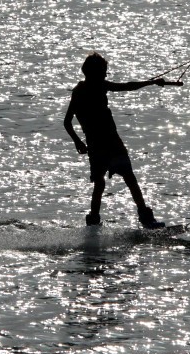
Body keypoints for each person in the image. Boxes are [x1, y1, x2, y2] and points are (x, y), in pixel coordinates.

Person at [63, 52, 181, 227]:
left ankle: (102, 221)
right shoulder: (90, 89)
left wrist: (151, 82)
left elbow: (127, 87)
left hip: (104, 142)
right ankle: (136, 219)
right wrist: (77, 141)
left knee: (110, 181)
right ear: (93, 73)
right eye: (103, 71)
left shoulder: (90, 88)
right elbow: (67, 121)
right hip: (104, 144)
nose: (105, 74)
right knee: (114, 180)